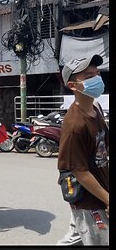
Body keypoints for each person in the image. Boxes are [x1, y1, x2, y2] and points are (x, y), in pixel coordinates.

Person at [58, 54, 109, 245]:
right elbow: (79, 172)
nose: (97, 79)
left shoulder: (95, 108)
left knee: (75, 237)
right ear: (73, 86)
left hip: (99, 188)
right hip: (90, 199)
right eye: (89, 76)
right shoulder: (74, 125)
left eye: (97, 74)